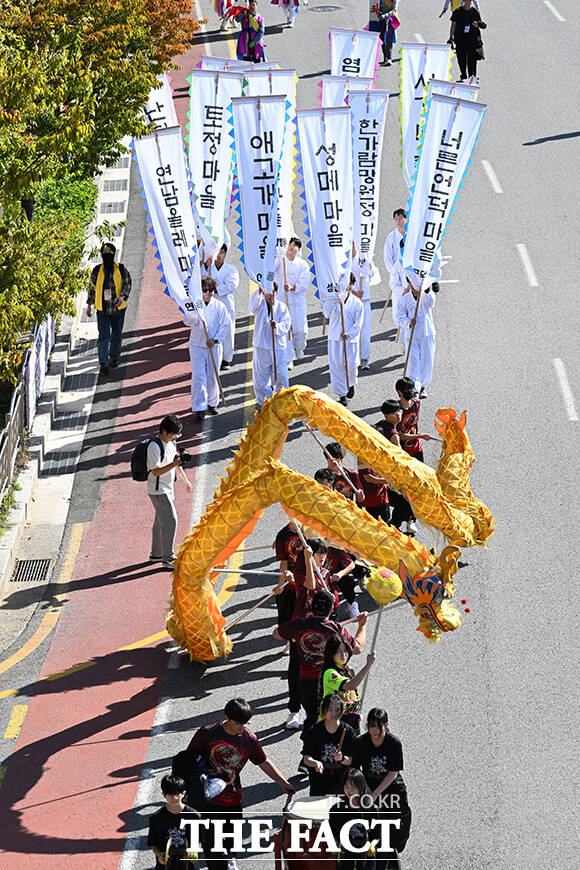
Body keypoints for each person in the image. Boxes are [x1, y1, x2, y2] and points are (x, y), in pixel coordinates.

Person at [186, 698, 295, 868]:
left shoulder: (249, 739)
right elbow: (189, 759)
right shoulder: (207, 733)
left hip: (232, 797)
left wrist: (283, 783)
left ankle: (230, 858)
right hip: (208, 798)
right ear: (227, 717)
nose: (242, 727)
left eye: (245, 723)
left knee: (232, 836)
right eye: (238, 723)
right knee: (212, 839)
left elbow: (263, 761)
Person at [274, 588, 368, 728]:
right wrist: (362, 626)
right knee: (331, 722)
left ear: (311, 607)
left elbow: (276, 633)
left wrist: (295, 632)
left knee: (312, 719)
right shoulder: (335, 628)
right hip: (330, 682)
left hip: (305, 682)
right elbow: (357, 648)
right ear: (331, 610)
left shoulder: (299, 625)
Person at [353, 708, 412, 867]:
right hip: (368, 785)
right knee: (369, 822)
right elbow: (356, 769)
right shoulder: (361, 742)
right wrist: (367, 791)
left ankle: (392, 849)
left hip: (390, 786)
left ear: (386, 725)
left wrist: (375, 794)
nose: (374, 731)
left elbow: (393, 772)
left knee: (398, 822)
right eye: (371, 727)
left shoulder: (394, 743)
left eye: (378, 727)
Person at [147, 415, 193, 568]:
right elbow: (155, 472)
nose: (176, 437)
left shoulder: (172, 443)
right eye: (174, 434)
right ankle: (168, 558)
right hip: (158, 490)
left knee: (160, 520)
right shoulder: (154, 446)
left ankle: (156, 554)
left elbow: (176, 464)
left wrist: (185, 479)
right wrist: (173, 464)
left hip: (167, 488)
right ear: (164, 431)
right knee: (171, 520)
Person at [183, 278, 230, 422]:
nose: (208, 293)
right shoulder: (194, 305)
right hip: (197, 346)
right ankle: (199, 407)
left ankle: (212, 403)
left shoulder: (220, 306)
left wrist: (215, 340)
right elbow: (186, 320)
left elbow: (225, 325)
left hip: (213, 347)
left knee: (212, 376)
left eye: (211, 290)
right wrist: (196, 320)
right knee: (199, 376)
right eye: (205, 290)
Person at [87, 242, 132, 375]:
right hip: (102, 310)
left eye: (110, 252)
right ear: (101, 254)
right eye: (105, 252)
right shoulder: (96, 270)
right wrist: (89, 306)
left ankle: (114, 357)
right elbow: (92, 289)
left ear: (114, 254)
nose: (107, 254)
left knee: (116, 335)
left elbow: (127, 285)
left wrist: (122, 298)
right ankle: (103, 363)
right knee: (104, 336)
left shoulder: (121, 269)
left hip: (118, 310)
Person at [374, 400, 416, 534]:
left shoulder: (381, 425)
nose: (398, 415)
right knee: (405, 502)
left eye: (399, 411)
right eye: (394, 413)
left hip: (381, 471)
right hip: (388, 475)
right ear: (386, 415)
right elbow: (400, 457)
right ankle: (394, 526)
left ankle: (396, 525)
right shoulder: (393, 435)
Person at [320, 635, 376, 733]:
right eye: (339, 652)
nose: (343, 654)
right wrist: (368, 665)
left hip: (352, 721)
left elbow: (353, 693)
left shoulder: (348, 670)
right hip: (335, 723)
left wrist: (357, 713)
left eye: (345, 650)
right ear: (331, 654)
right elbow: (350, 686)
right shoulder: (330, 673)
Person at [248, 283, 292, 408]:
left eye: (272, 292)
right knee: (260, 378)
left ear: (276, 293)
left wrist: (277, 326)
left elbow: (287, 324)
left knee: (281, 376)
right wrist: (259, 290)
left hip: (277, 347)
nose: (270, 295)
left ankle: (281, 402)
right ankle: (265, 404)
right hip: (261, 346)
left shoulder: (282, 307)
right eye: (267, 292)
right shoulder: (259, 304)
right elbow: (251, 306)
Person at [302, 694, 356, 796]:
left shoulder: (349, 732)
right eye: (330, 710)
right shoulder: (315, 730)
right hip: (319, 781)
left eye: (337, 710)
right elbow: (306, 758)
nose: (334, 713)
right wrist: (316, 763)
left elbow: (351, 761)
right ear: (324, 710)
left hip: (342, 783)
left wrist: (342, 758)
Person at [322, 275, 364, 406]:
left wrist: (349, 334)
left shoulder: (357, 303)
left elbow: (358, 323)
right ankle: (342, 394)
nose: (347, 287)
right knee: (337, 366)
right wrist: (332, 300)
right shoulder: (334, 299)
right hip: (335, 338)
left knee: (351, 366)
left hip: (350, 340)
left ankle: (350, 383)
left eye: (349, 284)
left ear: (353, 285)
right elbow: (326, 313)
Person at [396, 274, 436, 399]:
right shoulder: (404, 300)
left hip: (427, 333)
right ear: (409, 283)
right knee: (413, 362)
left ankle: (423, 385)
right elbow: (399, 316)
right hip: (412, 335)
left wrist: (427, 290)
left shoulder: (425, 296)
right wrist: (408, 322)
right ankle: (414, 388)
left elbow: (431, 303)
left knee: (427, 361)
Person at [273, 237, 310, 368]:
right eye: (290, 245)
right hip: (282, 301)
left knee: (300, 331)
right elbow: (270, 271)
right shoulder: (280, 260)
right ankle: (289, 358)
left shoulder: (303, 264)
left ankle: (299, 347)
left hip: (297, 302)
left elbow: (304, 283)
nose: (291, 247)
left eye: (295, 246)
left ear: (298, 250)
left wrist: (292, 287)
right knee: (286, 329)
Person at [147, 774, 199, 869]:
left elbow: (198, 841)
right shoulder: (156, 818)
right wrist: (159, 855)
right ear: (164, 795)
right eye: (170, 794)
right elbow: (154, 844)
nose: (174, 798)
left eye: (177, 794)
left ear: (183, 793)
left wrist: (194, 852)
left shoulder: (194, 816)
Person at [329, 768, 377, 869]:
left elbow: (377, 834)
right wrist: (334, 844)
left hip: (365, 855)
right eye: (346, 786)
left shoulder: (372, 809)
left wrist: (372, 845)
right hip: (345, 855)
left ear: (361, 787)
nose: (349, 790)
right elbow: (332, 832)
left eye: (353, 786)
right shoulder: (336, 810)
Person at [202, 244, 240, 370]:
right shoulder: (208, 268)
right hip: (211, 304)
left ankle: (226, 359)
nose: (219, 255)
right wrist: (206, 266)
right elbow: (202, 280)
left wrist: (213, 288)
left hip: (226, 304)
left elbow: (231, 285)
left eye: (222, 252)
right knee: (212, 329)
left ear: (225, 254)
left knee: (227, 331)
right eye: (217, 252)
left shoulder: (231, 270)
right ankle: (211, 357)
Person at [350, 243, 377, 370]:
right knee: (353, 331)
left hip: (365, 300)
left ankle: (365, 358)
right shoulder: (345, 263)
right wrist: (354, 293)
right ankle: (352, 359)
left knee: (365, 332)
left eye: (354, 245)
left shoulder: (365, 258)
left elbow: (372, 274)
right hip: (351, 302)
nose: (353, 248)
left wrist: (369, 267)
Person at [448, 0, 486, 82]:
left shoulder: (475, 11)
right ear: (463, 1)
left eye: (470, 1)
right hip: (460, 39)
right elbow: (453, 25)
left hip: (472, 39)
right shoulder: (457, 11)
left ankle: (472, 76)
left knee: (472, 59)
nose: (468, 3)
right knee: (461, 58)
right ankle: (463, 75)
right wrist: (451, 37)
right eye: (466, 1)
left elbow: (480, 23)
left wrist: (477, 25)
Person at [378, 0, 400, 67]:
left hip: (390, 19)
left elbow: (394, 9)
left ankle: (389, 58)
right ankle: (385, 58)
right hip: (380, 19)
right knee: (381, 39)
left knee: (388, 39)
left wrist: (386, 15)